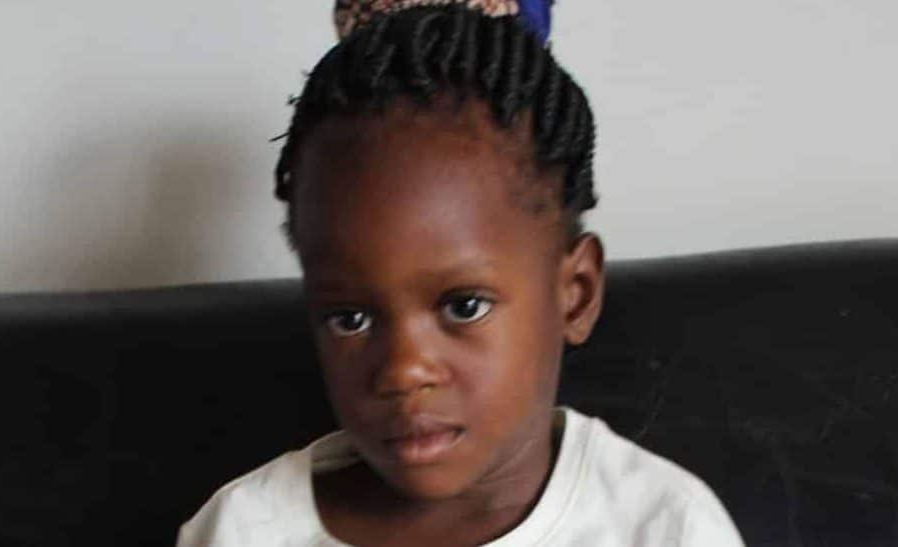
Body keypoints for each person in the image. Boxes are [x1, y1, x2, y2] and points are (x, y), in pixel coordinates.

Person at [177, 1, 745, 545]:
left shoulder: (665, 528)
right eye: (349, 318)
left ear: (574, 295)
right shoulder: (246, 530)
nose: (403, 371)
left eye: (463, 306)